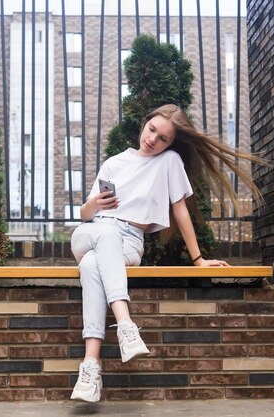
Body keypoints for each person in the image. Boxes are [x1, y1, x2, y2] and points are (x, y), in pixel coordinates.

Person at [69, 104, 263, 402]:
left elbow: (180, 209)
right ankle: (125, 325)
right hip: (92, 232)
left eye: (163, 138)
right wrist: (95, 203)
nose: (153, 140)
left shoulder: (169, 162)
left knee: (94, 265)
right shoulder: (114, 163)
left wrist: (198, 260)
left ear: (171, 144)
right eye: (152, 130)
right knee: (103, 235)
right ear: (145, 124)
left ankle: (90, 366)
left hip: (129, 242)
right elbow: (84, 215)